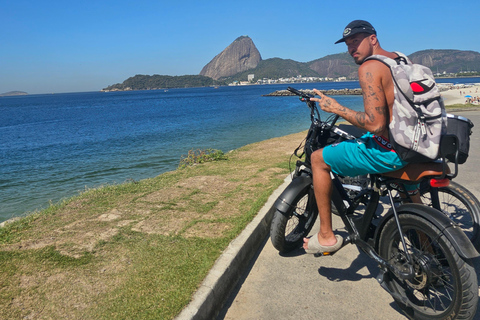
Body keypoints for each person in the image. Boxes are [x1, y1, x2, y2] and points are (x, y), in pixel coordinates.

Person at [303, 20, 413, 254]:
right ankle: (427, 241)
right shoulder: (402, 59)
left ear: (373, 39)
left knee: (318, 159)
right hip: (417, 144)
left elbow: (375, 124)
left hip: (392, 150)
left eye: (356, 41)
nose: (352, 48)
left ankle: (326, 237)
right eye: (348, 45)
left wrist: (336, 107)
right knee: (406, 189)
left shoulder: (369, 67)